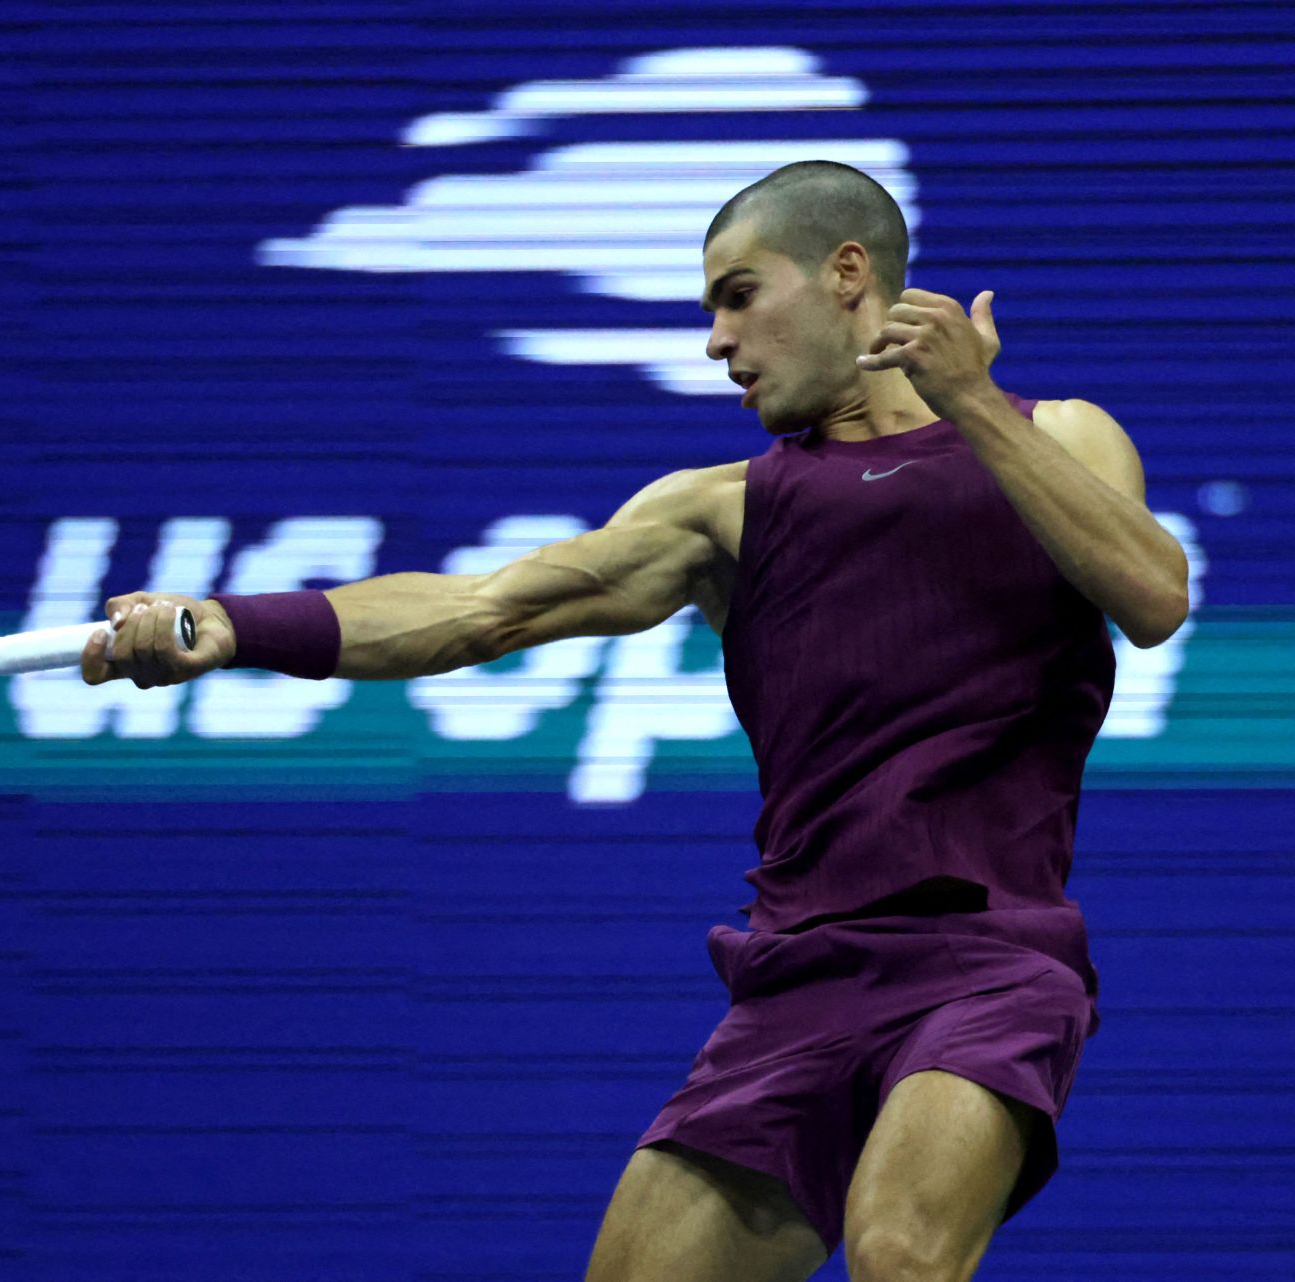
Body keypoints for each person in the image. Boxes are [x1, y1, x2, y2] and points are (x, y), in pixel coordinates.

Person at [80, 160, 1191, 1282]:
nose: (716, 340)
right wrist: (233, 620)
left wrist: (967, 409)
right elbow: (478, 612)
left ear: (847, 274)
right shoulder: (722, 512)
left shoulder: (1063, 436)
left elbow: (1154, 599)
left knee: (902, 1250)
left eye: (737, 294)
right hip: (796, 982)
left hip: (987, 961)